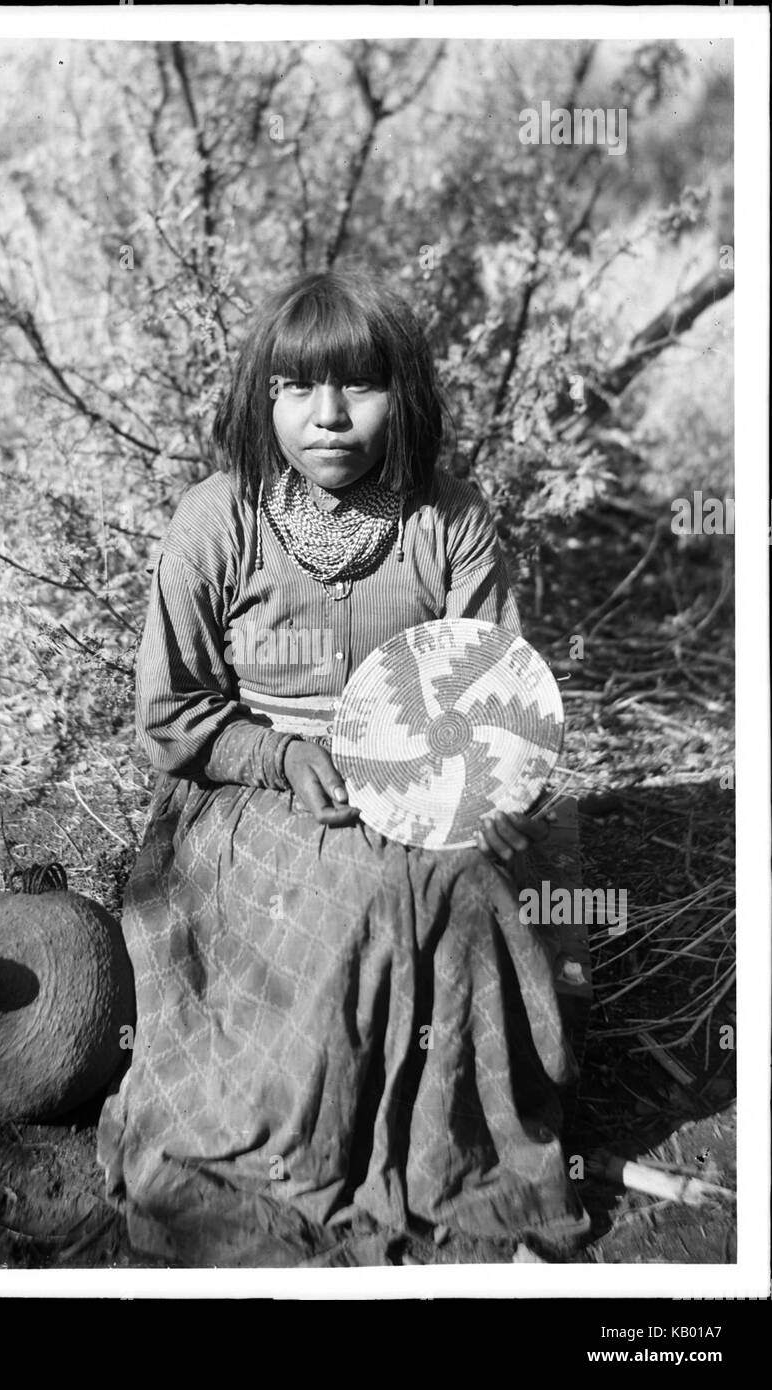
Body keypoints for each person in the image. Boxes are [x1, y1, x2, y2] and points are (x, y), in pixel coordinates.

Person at [97, 269, 589, 1265]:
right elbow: (171, 711)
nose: (327, 416)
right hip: (254, 784)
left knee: (463, 885)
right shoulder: (215, 519)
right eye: (295, 389)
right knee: (349, 889)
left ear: (401, 394)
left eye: (358, 386)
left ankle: (442, 1149)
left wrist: (487, 791)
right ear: (261, 399)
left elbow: (491, 686)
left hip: (426, 768)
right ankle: (308, 1141)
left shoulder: (448, 519)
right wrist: (279, 753)